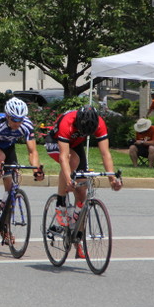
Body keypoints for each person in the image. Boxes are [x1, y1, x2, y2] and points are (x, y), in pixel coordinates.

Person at [44, 105, 122, 258]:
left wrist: (112, 179)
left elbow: (105, 154)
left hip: (75, 145)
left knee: (82, 195)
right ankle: (60, 203)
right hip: (55, 142)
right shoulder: (67, 122)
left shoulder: (99, 123)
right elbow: (63, 157)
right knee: (72, 160)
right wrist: (68, 180)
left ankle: (77, 240)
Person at [0, 98, 44, 227]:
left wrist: (36, 170)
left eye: (20, 119)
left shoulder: (27, 125)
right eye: (14, 119)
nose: (18, 123)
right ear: (7, 116)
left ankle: (5, 227)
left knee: (10, 189)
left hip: (9, 147)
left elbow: (32, 152)